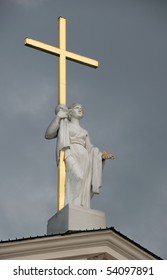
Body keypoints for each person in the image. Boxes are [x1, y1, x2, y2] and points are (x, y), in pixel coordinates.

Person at [45, 103, 114, 208]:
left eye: (81, 108)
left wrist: (100, 156)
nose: (80, 109)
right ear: (70, 112)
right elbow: (48, 134)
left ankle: (81, 207)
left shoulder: (84, 131)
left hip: (85, 157)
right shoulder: (64, 125)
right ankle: (71, 205)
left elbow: (90, 148)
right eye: (77, 108)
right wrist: (58, 117)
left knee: (84, 183)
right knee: (77, 177)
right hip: (70, 152)